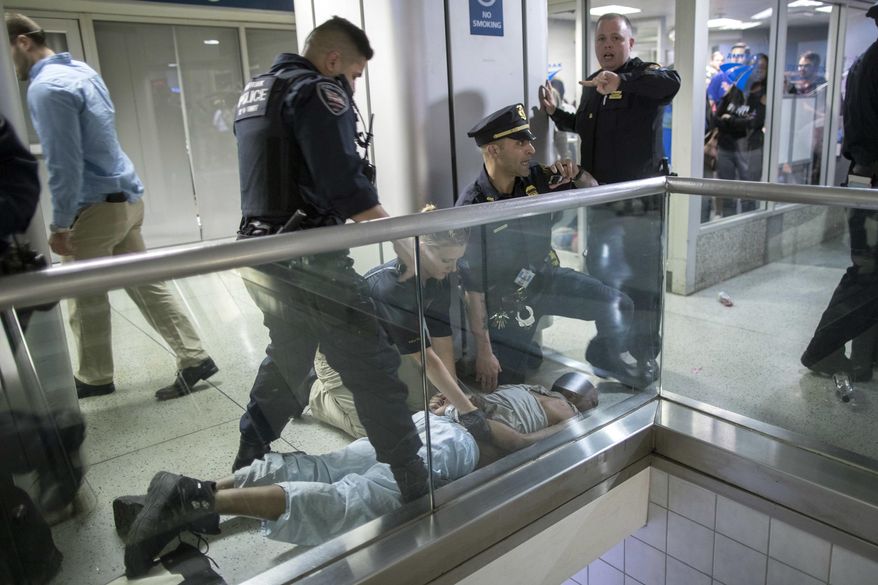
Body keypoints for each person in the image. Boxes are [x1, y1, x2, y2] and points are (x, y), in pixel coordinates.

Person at [229, 17, 490, 500]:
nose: (350, 86)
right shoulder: (317, 93)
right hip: (311, 259)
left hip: (264, 254)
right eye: (353, 75)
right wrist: (399, 238)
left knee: (287, 359)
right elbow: (344, 185)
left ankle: (248, 456)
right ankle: (414, 478)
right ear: (333, 61)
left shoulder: (259, 91)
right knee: (372, 367)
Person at [6, 13, 218, 401]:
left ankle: (95, 376)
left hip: (96, 208)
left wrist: (59, 225)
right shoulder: (83, 72)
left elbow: (63, 163)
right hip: (128, 199)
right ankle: (194, 356)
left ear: (21, 42)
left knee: (84, 296)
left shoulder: (46, 89)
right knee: (148, 283)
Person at [116, 401, 569, 575]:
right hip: (455, 446)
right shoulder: (550, 407)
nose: (583, 404)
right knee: (355, 500)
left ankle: (195, 489)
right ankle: (195, 500)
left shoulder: (506, 393)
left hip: (427, 426)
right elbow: (519, 444)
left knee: (326, 468)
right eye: (579, 399)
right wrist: (572, 423)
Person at [455, 103, 642, 390]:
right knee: (505, 386)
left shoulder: (536, 179)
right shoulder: (474, 205)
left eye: (529, 142)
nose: (531, 150)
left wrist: (576, 173)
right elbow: (473, 288)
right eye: (520, 143)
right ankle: (516, 355)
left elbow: (595, 193)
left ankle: (604, 356)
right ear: (493, 150)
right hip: (506, 301)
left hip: (546, 279)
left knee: (618, 304)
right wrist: (484, 351)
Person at [539, 13, 680, 381]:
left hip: (638, 210)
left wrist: (623, 80)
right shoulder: (592, 85)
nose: (607, 46)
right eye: (601, 39)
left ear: (630, 43)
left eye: (616, 38)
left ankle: (645, 353)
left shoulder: (643, 76)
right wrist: (558, 114)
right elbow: (587, 127)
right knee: (605, 280)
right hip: (601, 206)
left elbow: (671, 83)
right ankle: (610, 350)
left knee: (642, 283)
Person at [309, 220, 484, 438]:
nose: (454, 268)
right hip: (341, 359)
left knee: (428, 403)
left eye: (457, 260)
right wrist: (467, 410)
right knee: (378, 431)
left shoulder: (441, 276)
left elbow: (441, 335)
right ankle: (317, 395)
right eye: (446, 260)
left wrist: (451, 396)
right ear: (421, 250)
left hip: (386, 350)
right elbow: (427, 360)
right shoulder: (393, 288)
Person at [801, 4, 878, 381]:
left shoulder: (866, 62)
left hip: (865, 178)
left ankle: (865, 358)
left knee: (869, 273)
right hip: (872, 182)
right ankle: (823, 350)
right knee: (868, 274)